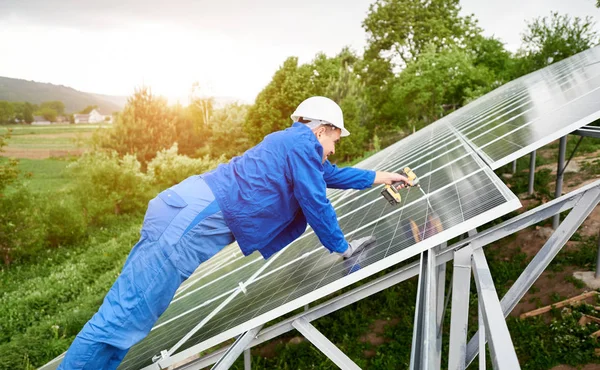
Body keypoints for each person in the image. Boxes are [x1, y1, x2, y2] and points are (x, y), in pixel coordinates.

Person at [58, 96, 411, 369]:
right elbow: (315, 201)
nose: (334, 148)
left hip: (186, 212)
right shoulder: (302, 145)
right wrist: (344, 248)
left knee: (132, 318)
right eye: (335, 139)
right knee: (123, 317)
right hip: (190, 220)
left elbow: (333, 176)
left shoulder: (293, 144)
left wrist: (385, 176)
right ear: (321, 130)